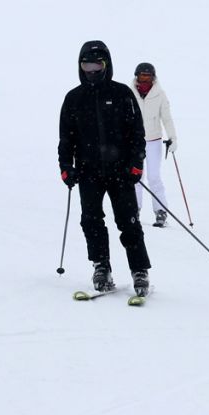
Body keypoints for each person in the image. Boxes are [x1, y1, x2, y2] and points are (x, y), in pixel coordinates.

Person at [58, 41, 151, 297]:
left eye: (96, 64)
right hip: (88, 173)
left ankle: (139, 270)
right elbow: (66, 139)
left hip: (121, 172)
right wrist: (66, 167)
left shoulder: (122, 94)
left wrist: (135, 164)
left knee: (128, 222)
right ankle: (101, 266)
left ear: (106, 65)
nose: (91, 69)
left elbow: (137, 134)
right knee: (91, 221)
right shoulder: (73, 98)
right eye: (86, 64)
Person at [128, 62, 178, 227]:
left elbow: (167, 117)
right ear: (137, 76)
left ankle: (160, 211)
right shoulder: (129, 94)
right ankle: (134, 209)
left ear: (153, 77)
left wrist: (172, 138)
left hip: (154, 141)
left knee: (154, 177)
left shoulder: (159, 94)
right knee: (137, 177)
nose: (145, 79)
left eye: (148, 76)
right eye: (142, 75)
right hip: (134, 143)